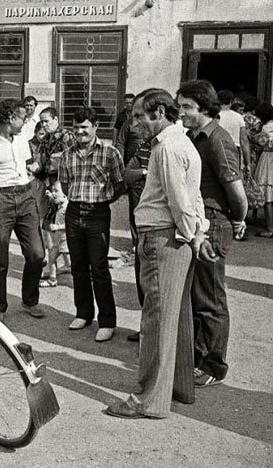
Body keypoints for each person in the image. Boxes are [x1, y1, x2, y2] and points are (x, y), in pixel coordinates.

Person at [106, 88, 212, 419]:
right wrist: (197, 234)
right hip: (176, 238)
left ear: (161, 113)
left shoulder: (167, 147)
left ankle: (148, 400)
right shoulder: (181, 143)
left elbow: (180, 201)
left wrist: (190, 233)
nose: (134, 123)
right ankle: (178, 387)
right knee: (176, 317)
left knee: (156, 322)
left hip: (163, 239)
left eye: (140, 116)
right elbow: (193, 196)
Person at [176, 80, 248, 388]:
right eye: (179, 106)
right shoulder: (192, 137)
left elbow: (236, 191)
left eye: (187, 107)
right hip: (197, 222)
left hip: (214, 222)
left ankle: (213, 366)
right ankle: (197, 356)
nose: (181, 113)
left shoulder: (217, 140)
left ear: (205, 108)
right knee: (197, 295)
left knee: (211, 299)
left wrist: (238, 219)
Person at [0, 98, 46, 321]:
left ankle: (29, 300)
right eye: (22, 118)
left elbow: (26, 166)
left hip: (25, 197)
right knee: (0, 259)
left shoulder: (21, 139)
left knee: (37, 254)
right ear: (10, 118)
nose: (25, 122)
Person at [58, 107, 126, 342]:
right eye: (76, 127)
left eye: (84, 127)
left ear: (95, 126)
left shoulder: (110, 153)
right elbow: (65, 185)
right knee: (78, 267)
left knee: (99, 268)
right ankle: (83, 313)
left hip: (98, 213)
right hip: (74, 212)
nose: (80, 132)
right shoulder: (67, 154)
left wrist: (104, 201)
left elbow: (120, 184)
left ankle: (107, 321)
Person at [122, 139, 152, 342]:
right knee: (142, 278)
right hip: (142, 225)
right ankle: (145, 329)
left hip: (162, 227)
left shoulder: (175, 144)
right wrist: (144, 172)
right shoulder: (145, 146)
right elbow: (127, 173)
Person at [39, 182, 71, 288]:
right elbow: (55, 198)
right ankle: (52, 279)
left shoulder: (67, 208)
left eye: (56, 191)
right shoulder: (60, 203)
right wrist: (50, 195)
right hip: (58, 241)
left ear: (65, 195)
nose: (54, 194)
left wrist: (57, 227)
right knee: (52, 258)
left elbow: (70, 225)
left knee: (70, 264)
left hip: (65, 242)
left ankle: (83, 277)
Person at [217, 89, 251, 172]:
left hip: (217, 147)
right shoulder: (238, 117)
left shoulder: (214, 116)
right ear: (231, 102)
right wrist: (247, 163)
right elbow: (244, 141)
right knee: (233, 174)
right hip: (234, 149)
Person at [253, 102, 273, 237]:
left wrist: (255, 137)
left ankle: (270, 228)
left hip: (268, 158)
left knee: (268, 196)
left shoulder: (266, 127)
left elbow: (262, 142)